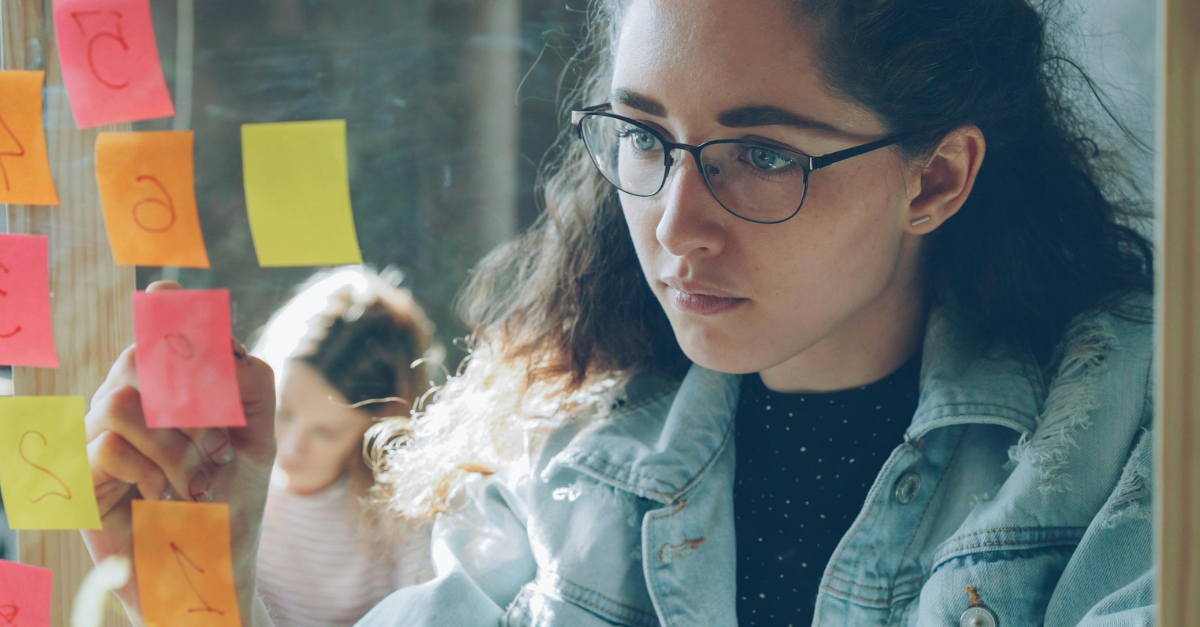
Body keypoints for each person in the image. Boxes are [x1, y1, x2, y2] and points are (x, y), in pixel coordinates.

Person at [82, 0, 1157, 625]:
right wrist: (202, 580)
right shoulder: (574, 454)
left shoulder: (1129, 433)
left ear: (935, 181)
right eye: (644, 138)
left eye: (764, 155)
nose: (676, 225)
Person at [250, 267, 438, 625]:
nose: (289, 448)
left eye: (327, 432)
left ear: (376, 429)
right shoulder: (229, 483)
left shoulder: (399, 514)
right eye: (283, 411)